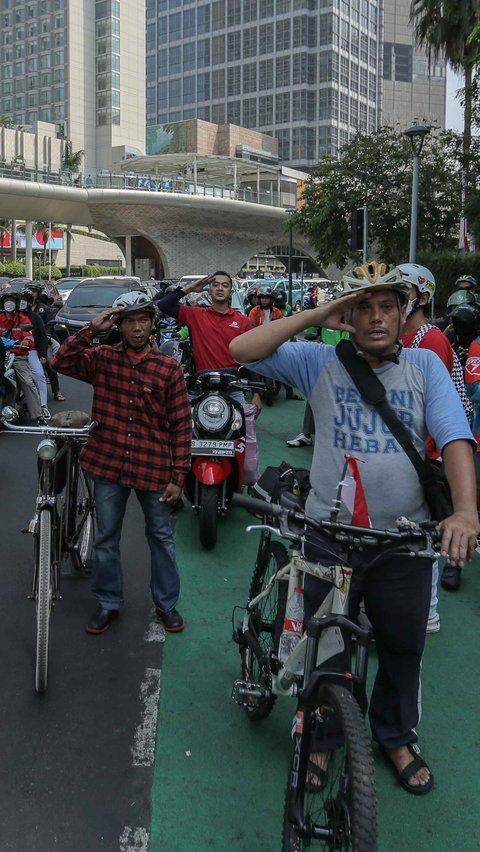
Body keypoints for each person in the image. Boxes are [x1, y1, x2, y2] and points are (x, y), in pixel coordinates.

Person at [230, 261, 478, 795]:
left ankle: (394, 735)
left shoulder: (424, 368)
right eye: (362, 306)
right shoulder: (318, 361)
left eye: (386, 305)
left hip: (403, 540)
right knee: (326, 648)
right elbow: (241, 351)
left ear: (404, 313)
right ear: (348, 314)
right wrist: (320, 314)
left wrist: (465, 511)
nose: (374, 317)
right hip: (328, 535)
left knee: (403, 647)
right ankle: (324, 736)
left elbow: (456, 436)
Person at [51, 291, 192, 635]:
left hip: (153, 467)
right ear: (120, 325)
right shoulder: (102, 358)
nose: (137, 327)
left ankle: (166, 604)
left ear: (152, 325)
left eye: (143, 320)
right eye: (130, 321)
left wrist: (179, 476)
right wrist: (92, 328)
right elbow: (61, 362)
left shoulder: (167, 368)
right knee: (106, 537)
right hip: (108, 464)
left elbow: (182, 424)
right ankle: (108, 601)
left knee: (160, 536)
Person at [398, 262, 471, 624]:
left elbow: (436, 407)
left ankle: (428, 613)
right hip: (411, 451)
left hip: (430, 453)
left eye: (401, 293)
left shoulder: (431, 340)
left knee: (424, 536)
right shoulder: (401, 337)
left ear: (422, 298)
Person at [155, 270, 262, 413]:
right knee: (184, 425)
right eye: (215, 285)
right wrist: (191, 288)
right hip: (200, 386)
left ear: (231, 292)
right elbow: (164, 305)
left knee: (245, 430)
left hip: (232, 387)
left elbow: (250, 358)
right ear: (209, 290)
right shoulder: (195, 314)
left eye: (225, 285)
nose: (220, 288)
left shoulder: (242, 321)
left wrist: (256, 394)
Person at [0, 289, 44, 424]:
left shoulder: (23, 319)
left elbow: (29, 335)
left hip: (18, 356)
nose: (9, 303)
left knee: (27, 382)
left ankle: (39, 415)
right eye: (6, 301)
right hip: (1, 356)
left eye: (12, 301)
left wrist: (26, 341)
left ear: (17, 303)